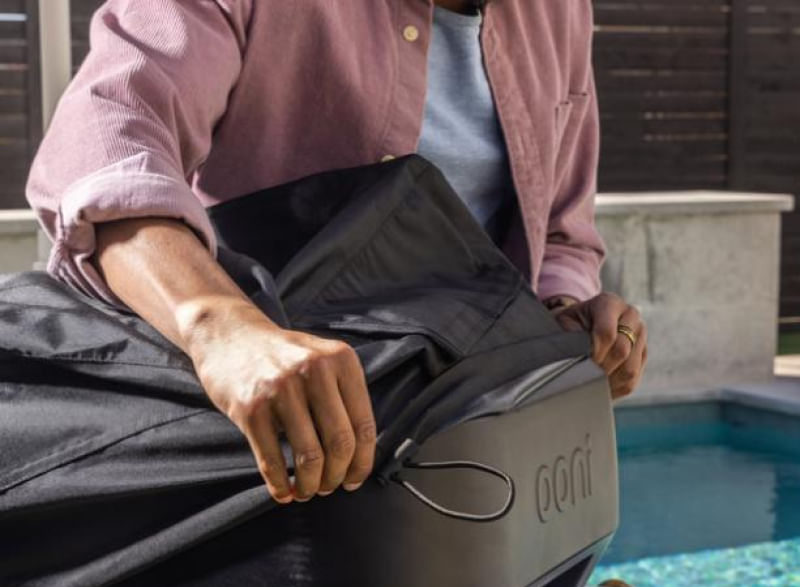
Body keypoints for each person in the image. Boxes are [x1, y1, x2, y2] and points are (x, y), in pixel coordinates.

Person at [26, 0, 648, 513]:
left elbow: (561, 229)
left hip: (469, 449)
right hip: (267, 443)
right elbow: (103, 150)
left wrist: (565, 315)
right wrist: (221, 325)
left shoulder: (561, 12)